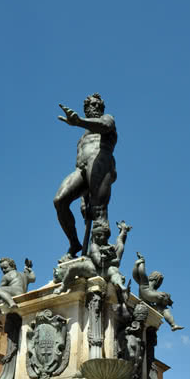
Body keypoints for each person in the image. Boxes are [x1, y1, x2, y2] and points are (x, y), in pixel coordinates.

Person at [54, 94, 118, 258]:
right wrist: (84, 197)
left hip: (100, 161)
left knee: (98, 210)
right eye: (90, 106)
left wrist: (79, 122)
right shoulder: (82, 138)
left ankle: (99, 248)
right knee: (60, 201)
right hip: (81, 169)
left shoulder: (107, 119)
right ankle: (75, 243)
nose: (94, 108)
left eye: (97, 105)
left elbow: (104, 126)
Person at [0, 257, 35, 327]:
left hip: (14, 293)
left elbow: (1, 289)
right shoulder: (24, 275)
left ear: (12, 266)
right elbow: (33, 278)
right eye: (2, 269)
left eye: (5, 268)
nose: (3, 270)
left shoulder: (6, 276)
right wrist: (28, 269)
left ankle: (11, 303)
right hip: (22, 294)